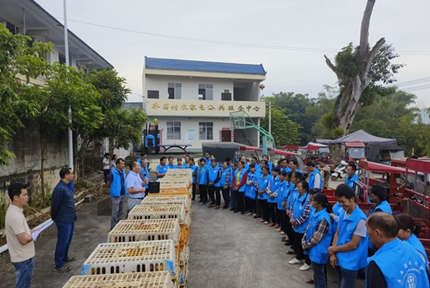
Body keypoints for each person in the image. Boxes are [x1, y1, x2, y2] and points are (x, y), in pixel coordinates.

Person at [366, 212, 430, 288]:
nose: (367, 233)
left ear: (377, 233)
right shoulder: (411, 249)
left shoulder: (377, 264)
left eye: (368, 229)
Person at [328, 184, 368, 288]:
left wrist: (333, 249)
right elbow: (337, 233)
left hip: (351, 262)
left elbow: (353, 244)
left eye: (343, 201)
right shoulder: (343, 213)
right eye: (339, 202)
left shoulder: (360, 219)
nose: (341, 204)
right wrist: (333, 254)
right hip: (339, 257)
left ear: (351, 199)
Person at [5, 183, 40, 287]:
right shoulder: (15, 215)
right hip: (23, 258)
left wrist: (33, 231)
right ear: (16, 197)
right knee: (23, 285)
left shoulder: (17, 211)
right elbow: (23, 240)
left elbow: (22, 231)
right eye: (24, 195)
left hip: (24, 257)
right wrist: (34, 235)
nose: (27, 197)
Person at [302, 193, 333, 288]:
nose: (312, 202)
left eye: (314, 200)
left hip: (318, 250)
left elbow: (316, 238)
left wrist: (306, 245)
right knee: (316, 274)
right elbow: (308, 229)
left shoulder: (323, 218)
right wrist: (304, 240)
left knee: (320, 275)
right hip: (313, 249)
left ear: (319, 204)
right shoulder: (315, 213)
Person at [51, 167, 76, 272]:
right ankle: (59, 263)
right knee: (62, 241)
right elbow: (55, 205)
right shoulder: (60, 188)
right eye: (71, 173)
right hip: (63, 219)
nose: (73, 175)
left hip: (70, 218)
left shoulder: (66, 186)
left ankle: (64, 256)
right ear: (66, 175)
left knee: (67, 240)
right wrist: (55, 217)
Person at [288, 180, 312, 271]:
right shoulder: (297, 196)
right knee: (297, 241)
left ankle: (307, 262)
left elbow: (306, 214)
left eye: (299, 187)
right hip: (295, 225)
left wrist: (297, 222)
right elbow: (291, 208)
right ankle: (299, 257)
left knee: (304, 244)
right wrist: (292, 219)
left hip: (302, 226)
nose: (297, 188)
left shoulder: (308, 199)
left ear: (305, 189)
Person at [106, 158, 127, 230]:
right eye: (121, 164)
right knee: (115, 212)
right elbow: (108, 183)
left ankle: (118, 225)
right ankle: (113, 227)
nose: (123, 165)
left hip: (122, 193)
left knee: (121, 211)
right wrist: (114, 189)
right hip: (116, 194)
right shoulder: (112, 173)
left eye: (123, 164)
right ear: (117, 164)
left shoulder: (123, 172)